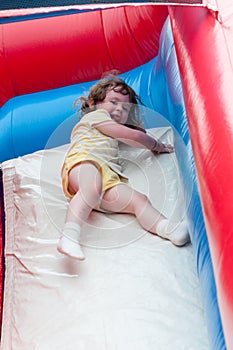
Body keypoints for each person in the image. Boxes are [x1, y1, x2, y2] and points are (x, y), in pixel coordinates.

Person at [57, 77, 189, 260]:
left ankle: (168, 228)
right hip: (83, 162)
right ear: (93, 103)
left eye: (125, 108)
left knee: (139, 200)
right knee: (91, 187)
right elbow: (133, 136)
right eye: (113, 102)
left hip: (108, 176)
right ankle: (69, 236)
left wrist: (136, 131)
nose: (119, 109)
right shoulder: (95, 116)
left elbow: (131, 134)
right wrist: (156, 145)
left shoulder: (110, 128)